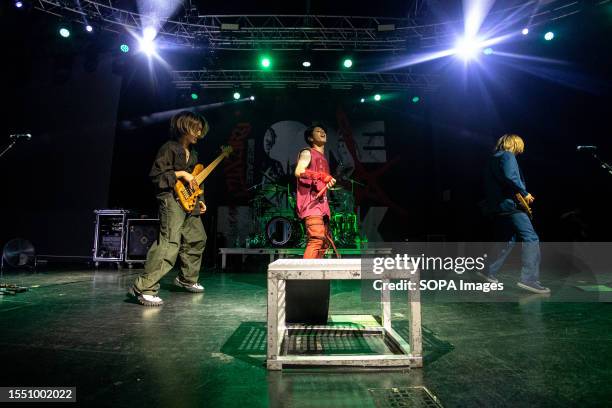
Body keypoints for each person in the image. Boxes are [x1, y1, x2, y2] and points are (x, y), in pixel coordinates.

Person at [128, 111, 209, 306]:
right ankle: (144, 287)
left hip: (189, 202)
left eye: (200, 130)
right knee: (169, 243)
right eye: (196, 129)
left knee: (197, 237)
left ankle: (186, 279)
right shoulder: (169, 148)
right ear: (184, 127)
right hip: (170, 200)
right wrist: (180, 173)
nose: (198, 133)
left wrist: (200, 200)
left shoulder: (194, 153)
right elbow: (157, 177)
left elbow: (194, 182)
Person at [480, 134, 550, 294]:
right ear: (515, 144)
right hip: (511, 205)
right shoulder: (507, 155)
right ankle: (530, 280)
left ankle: (487, 270)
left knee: (508, 240)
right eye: (520, 145)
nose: (521, 149)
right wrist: (525, 193)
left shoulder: (492, 158)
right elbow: (511, 177)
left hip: (498, 206)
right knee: (531, 238)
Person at [284, 125, 336, 324]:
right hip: (312, 205)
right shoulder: (308, 153)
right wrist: (321, 176)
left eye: (325, 130)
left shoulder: (324, 158)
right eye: (318, 131)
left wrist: (326, 180)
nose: (323, 132)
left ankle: (315, 283)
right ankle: (305, 281)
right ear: (310, 137)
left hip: (322, 206)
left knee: (322, 244)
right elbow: (299, 171)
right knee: (315, 239)